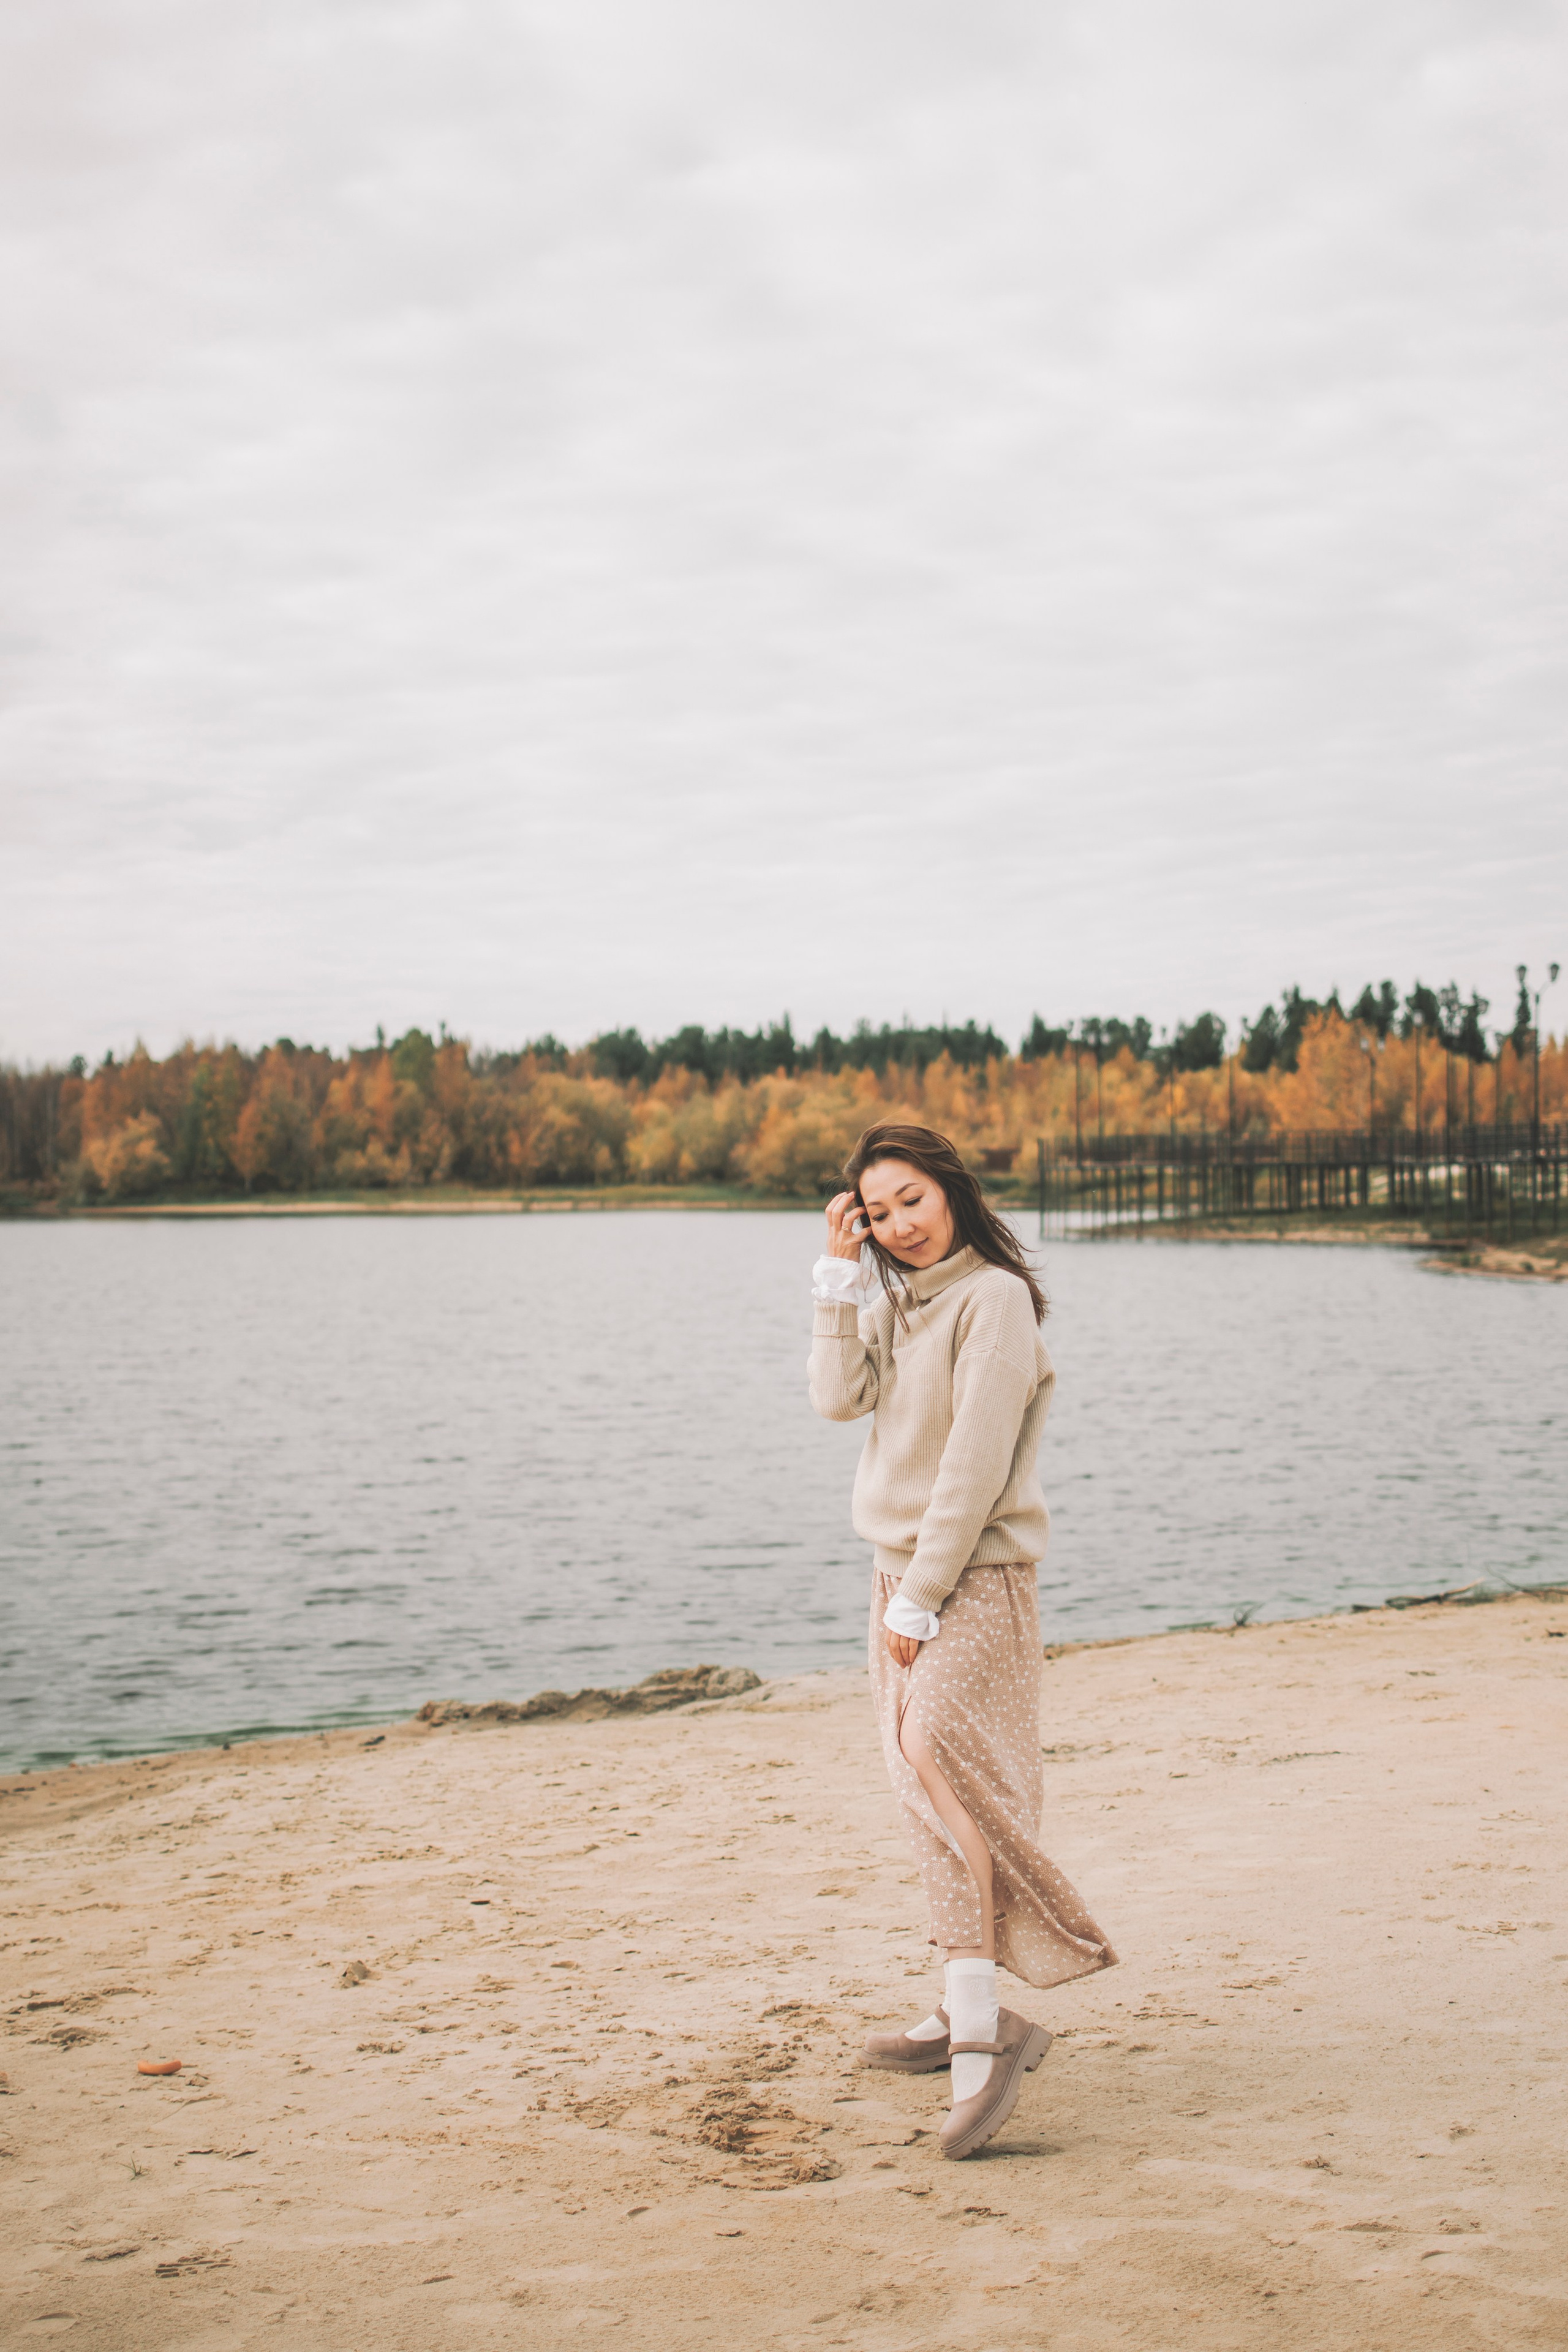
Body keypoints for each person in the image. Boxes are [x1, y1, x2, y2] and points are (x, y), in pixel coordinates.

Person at [808, 1121, 1116, 2160]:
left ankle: (987, 2027)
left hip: (969, 1580)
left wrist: (920, 1600)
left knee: (943, 1761)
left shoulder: (995, 1301)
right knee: (920, 1790)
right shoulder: (899, 1297)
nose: (898, 1225)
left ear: (952, 1189)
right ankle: (964, 1997)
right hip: (900, 1576)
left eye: (911, 1201)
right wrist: (837, 1279)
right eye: (877, 1211)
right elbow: (833, 1399)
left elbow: (976, 1467)